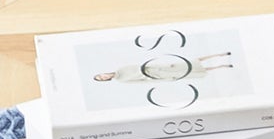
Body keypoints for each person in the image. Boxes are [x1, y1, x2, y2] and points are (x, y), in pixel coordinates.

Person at [93, 51, 235, 84]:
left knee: (190, 62)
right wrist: (165, 79)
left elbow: (143, 65)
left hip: (158, 68)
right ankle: (222, 66)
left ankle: (219, 55)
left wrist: (163, 65)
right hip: (158, 76)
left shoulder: (121, 69)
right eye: (101, 79)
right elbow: (144, 82)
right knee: (189, 72)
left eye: (101, 75)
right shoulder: (121, 80)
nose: (103, 77)